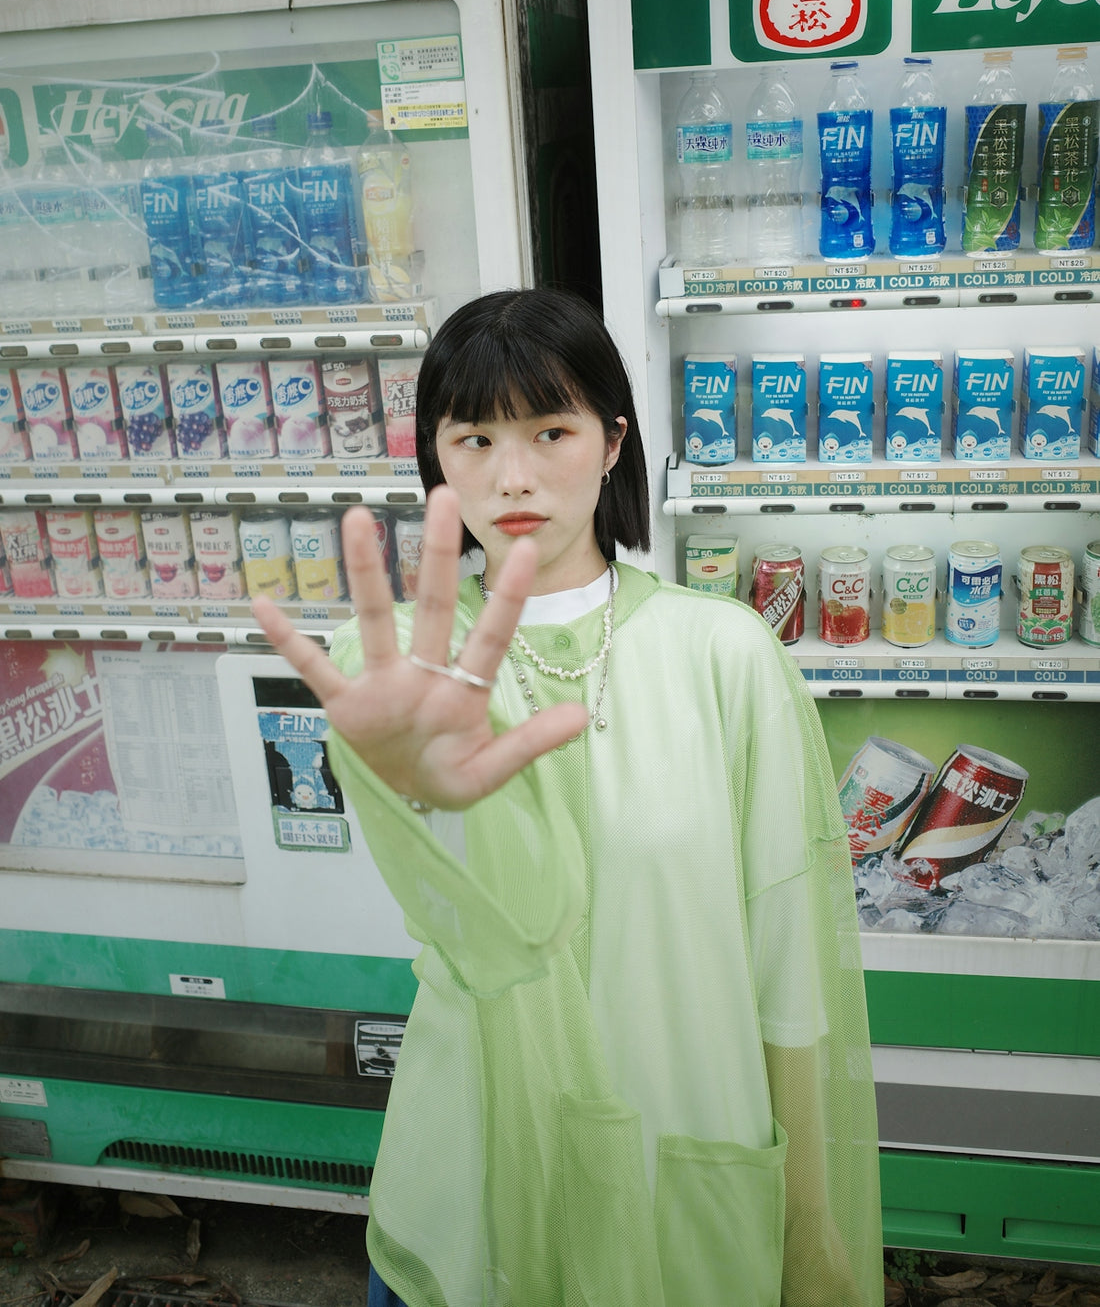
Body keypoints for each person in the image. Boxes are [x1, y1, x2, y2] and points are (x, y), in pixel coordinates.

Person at [254, 288, 882, 1307]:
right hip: (476, 1150)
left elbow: (787, 959)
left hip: (689, 1134)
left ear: (612, 442)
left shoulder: (723, 653)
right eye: (474, 438)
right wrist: (415, 780)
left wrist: (810, 1222)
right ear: (436, 458)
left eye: (551, 431)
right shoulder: (404, 665)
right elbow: (463, 894)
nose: (512, 475)